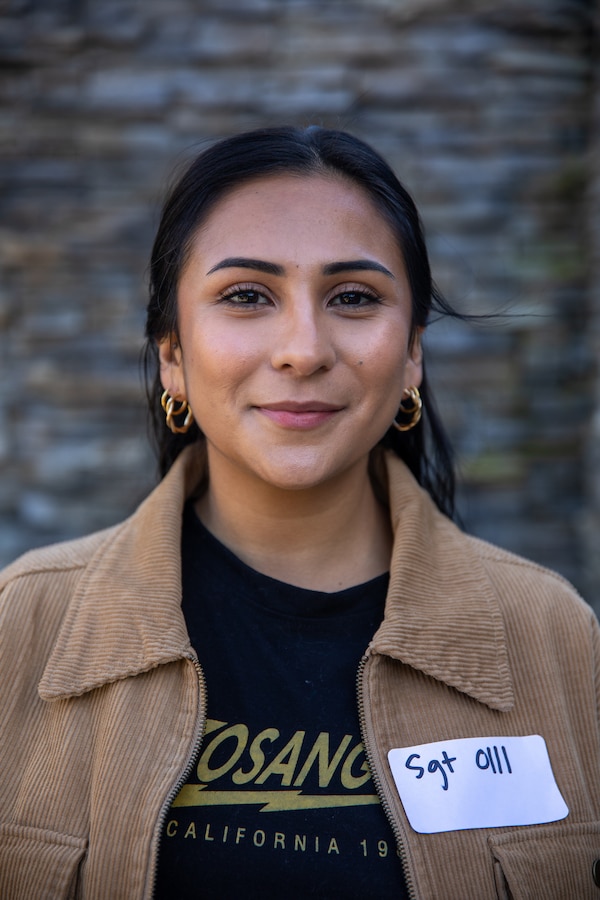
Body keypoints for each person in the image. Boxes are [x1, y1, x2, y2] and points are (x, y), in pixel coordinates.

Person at [0, 126, 598, 900]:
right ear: (171, 355)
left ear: (412, 350)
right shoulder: (24, 627)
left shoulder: (556, 639)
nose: (303, 349)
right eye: (247, 295)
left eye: (353, 297)